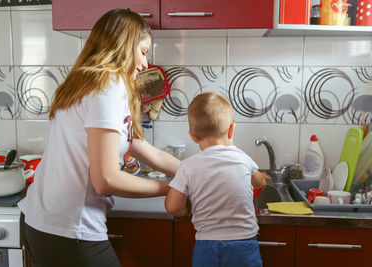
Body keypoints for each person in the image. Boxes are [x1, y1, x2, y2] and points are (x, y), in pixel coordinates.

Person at [18, 9, 180, 267]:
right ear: (124, 46)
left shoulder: (86, 81)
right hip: (69, 229)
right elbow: (106, 180)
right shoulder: (109, 86)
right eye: (143, 51)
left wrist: (193, 172)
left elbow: (138, 145)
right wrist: (173, 189)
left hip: (38, 224)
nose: (145, 64)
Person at [165, 92, 268, 267]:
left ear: (192, 135)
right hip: (244, 245)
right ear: (231, 129)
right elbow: (259, 183)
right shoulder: (242, 158)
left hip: (207, 246)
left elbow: (173, 206)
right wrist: (262, 178)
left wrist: (184, 212)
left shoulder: (187, 166)